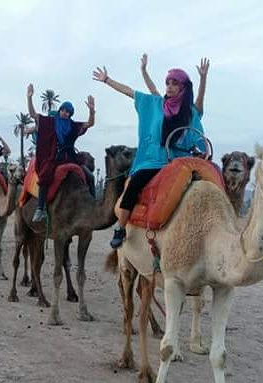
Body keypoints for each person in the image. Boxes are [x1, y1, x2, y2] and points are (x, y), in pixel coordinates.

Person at [93, 55, 210, 248]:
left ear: (183, 87)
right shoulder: (156, 105)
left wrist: (203, 79)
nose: (170, 87)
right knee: (134, 184)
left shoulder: (189, 111)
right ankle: (120, 228)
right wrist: (107, 80)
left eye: (174, 83)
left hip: (182, 159)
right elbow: (130, 92)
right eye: (168, 83)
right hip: (155, 159)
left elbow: (199, 106)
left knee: (207, 184)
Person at [27, 83, 96, 222]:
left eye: (68, 112)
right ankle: (40, 208)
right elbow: (33, 115)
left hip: (70, 157)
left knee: (89, 175)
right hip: (53, 157)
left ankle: (93, 206)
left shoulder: (72, 125)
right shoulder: (50, 122)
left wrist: (92, 111)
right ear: (60, 110)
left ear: (70, 114)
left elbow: (89, 124)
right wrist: (29, 98)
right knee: (45, 174)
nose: (65, 113)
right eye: (63, 110)